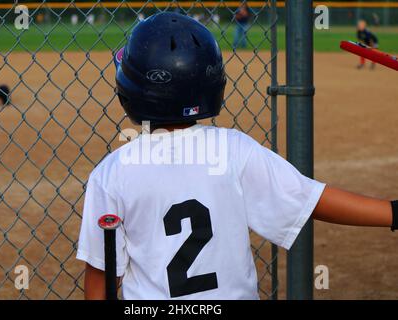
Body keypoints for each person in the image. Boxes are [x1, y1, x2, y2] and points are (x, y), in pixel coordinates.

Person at [77, 13, 396, 300]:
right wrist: (393, 213)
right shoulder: (235, 149)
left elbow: (100, 285)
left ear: (129, 91)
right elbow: (311, 199)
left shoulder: (112, 174)